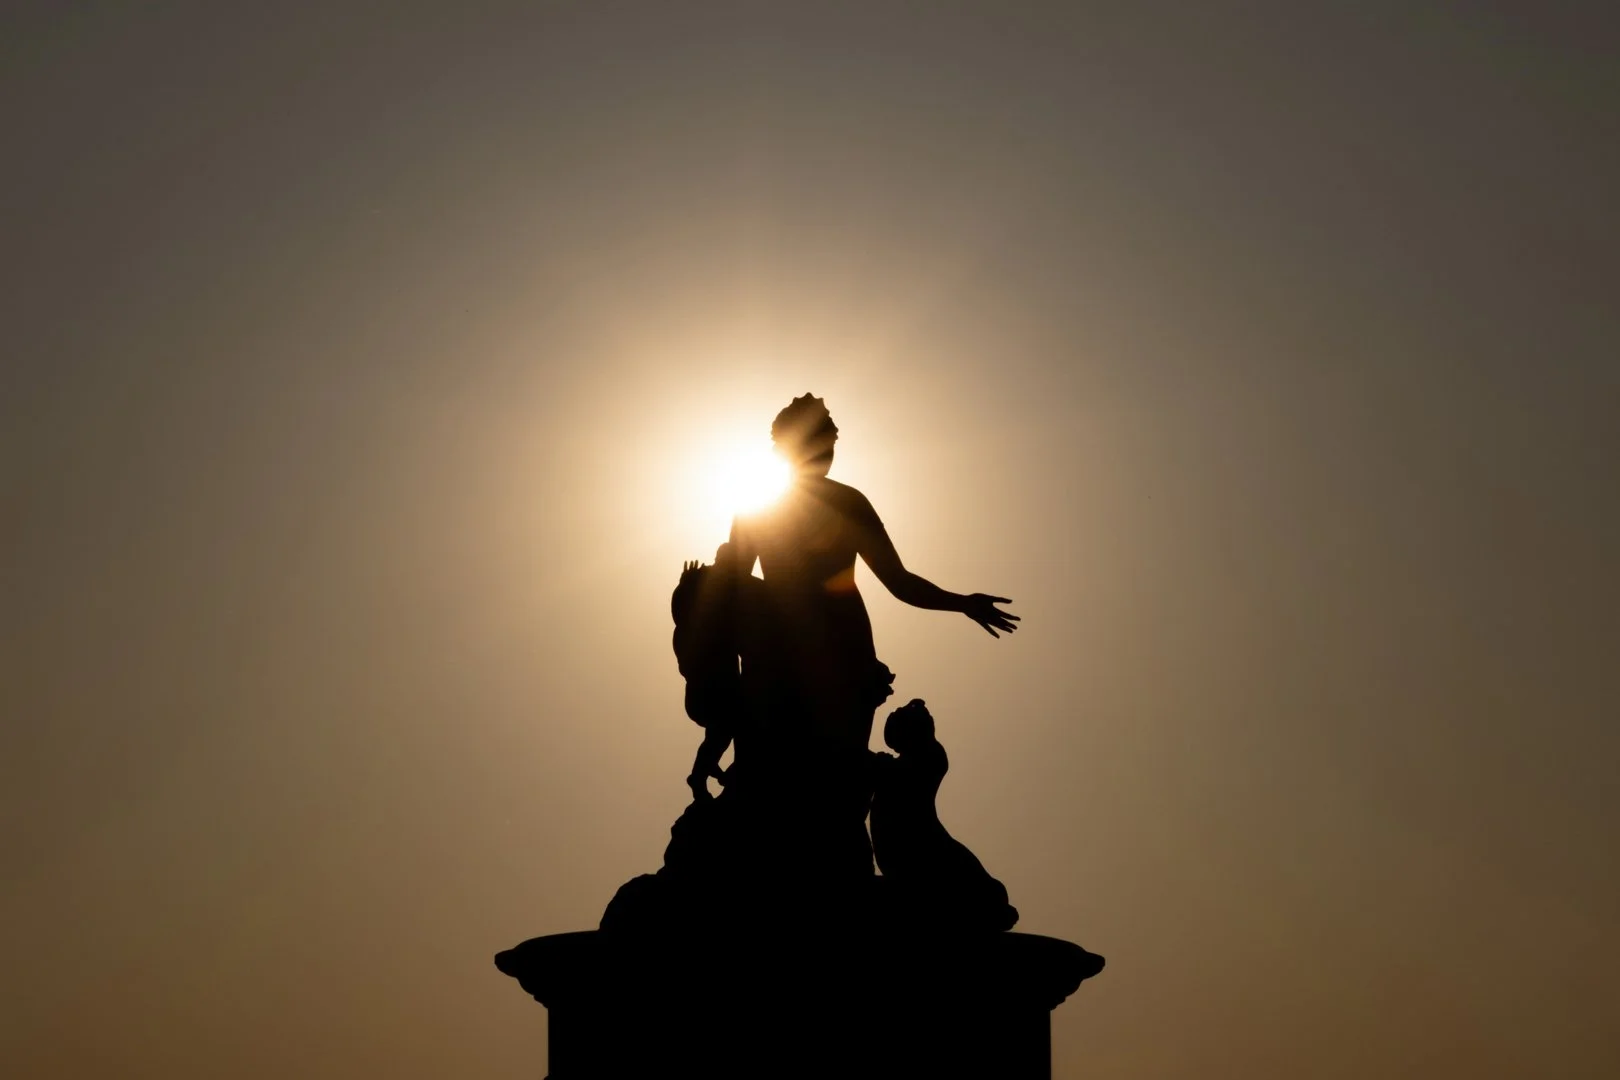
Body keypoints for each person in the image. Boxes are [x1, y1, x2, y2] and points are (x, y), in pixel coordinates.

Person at [727, 394, 1018, 751]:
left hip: (841, 651)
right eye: (820, 443)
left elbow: (898, 581)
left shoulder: (845, 503)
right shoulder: (761, 511)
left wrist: (962, 603)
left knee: (841, 772)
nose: (828, 453)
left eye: (830, 444)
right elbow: (732, 589)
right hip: (785, 650)